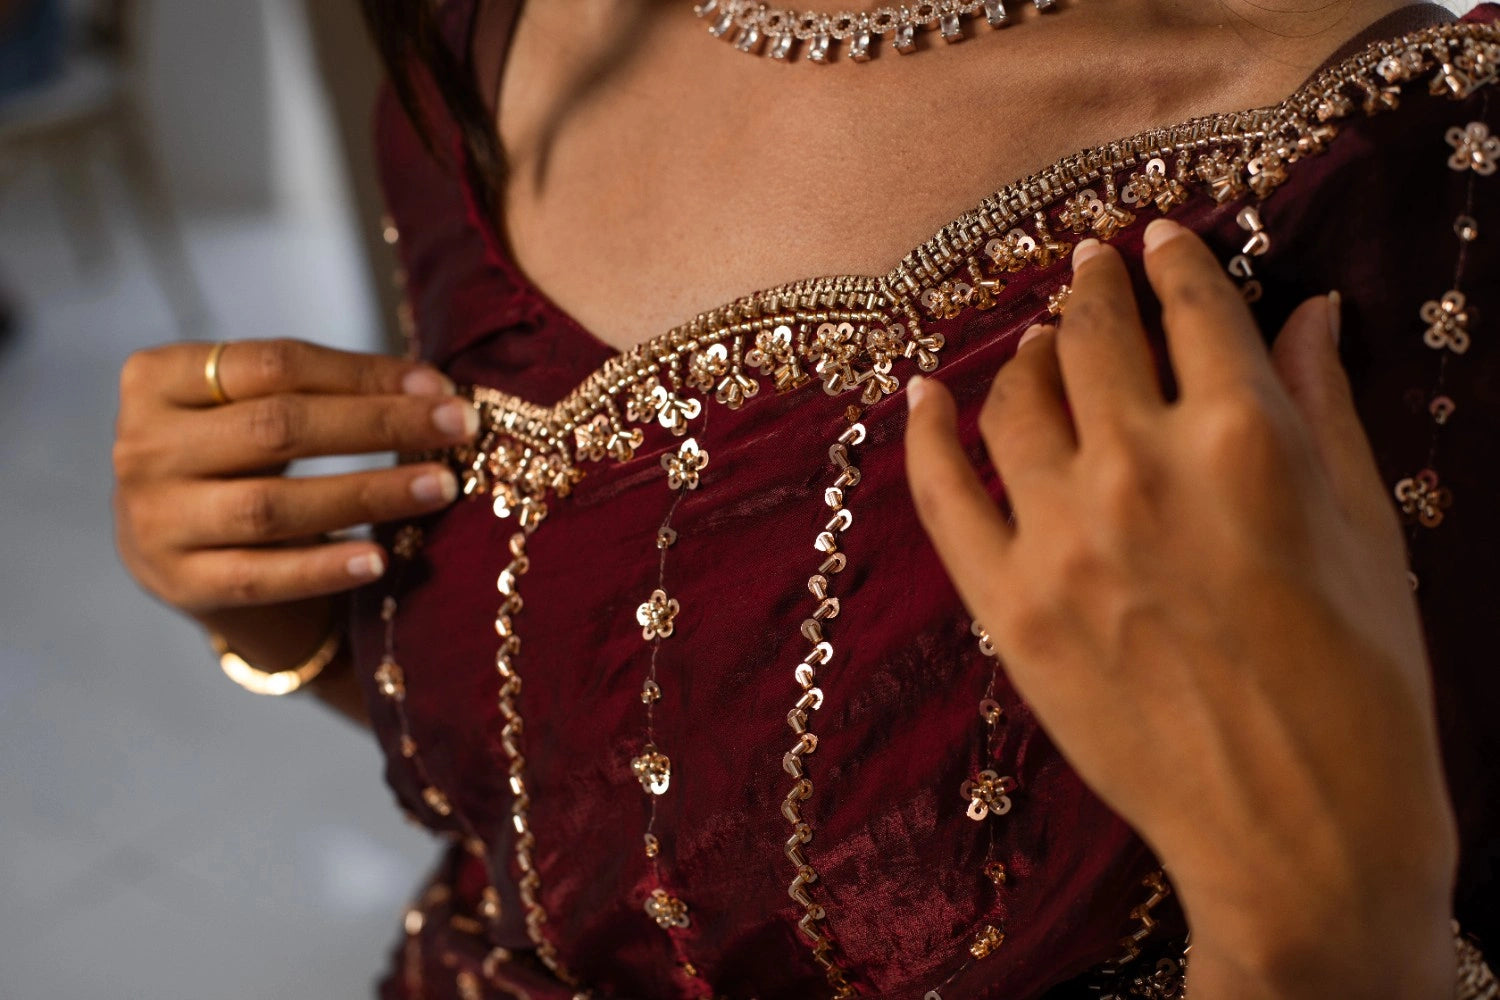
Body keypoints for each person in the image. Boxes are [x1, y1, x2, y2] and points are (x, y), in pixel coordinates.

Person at [111, 1, 1500, 997]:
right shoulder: (501, 39)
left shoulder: (1401, 175)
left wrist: (1321, 942)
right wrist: (280, 616)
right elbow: (616, 792)